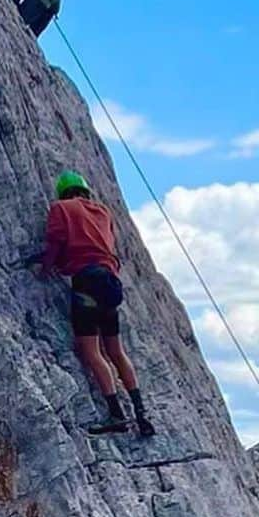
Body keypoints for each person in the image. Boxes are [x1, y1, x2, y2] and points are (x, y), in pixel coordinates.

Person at [40, 170, 155, 437]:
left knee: (91, 351)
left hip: (87, 281)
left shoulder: (61, 208)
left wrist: (47, 266)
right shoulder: (102, 212)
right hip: (110, 284)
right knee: (116, 350)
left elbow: (57, 242)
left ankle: (116, 414)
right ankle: (142, 414)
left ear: (63, 192)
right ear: (85, 190)